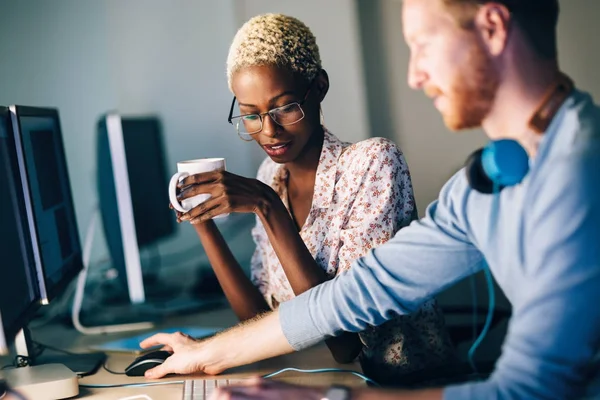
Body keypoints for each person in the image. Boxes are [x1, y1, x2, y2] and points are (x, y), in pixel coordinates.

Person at [142, 1, 600, 398]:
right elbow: (356, 294)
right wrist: (208, 353)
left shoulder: (578, 175)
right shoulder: (483, 183)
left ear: (493, 28)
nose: (413, 74)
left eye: (422, 44)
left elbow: (532, 392)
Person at [171, 13, 455, 384]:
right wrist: (202, 222)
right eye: (251, 116)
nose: (269, 132)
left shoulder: (372, 163)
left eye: (285, 107)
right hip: (329, 379)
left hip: (402, 386)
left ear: (318, 87)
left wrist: (267, 205)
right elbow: (256, 321)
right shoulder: (269, 176)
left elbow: (346, 343)